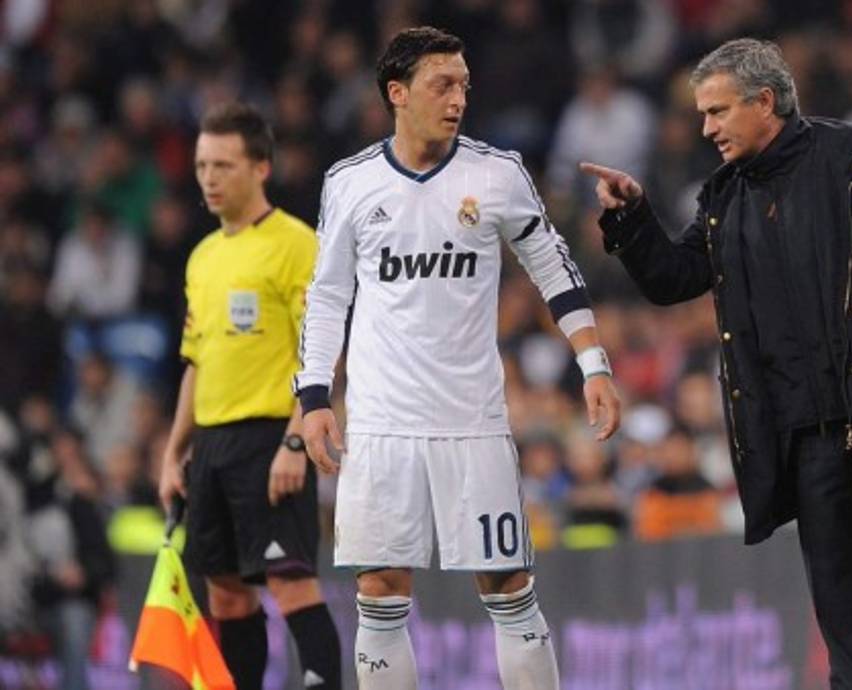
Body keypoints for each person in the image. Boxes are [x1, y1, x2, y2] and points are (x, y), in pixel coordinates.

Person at [581, 38, 852, 690]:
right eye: (703, 114)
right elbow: (677, 277)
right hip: (810, 445)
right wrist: (635, 219)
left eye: (719, 111)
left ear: (765, 100)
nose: (707, 129)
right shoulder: (725, 196)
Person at [295, 27, 621, 690]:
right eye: (442, 84)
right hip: (382, 425)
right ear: (397, 93)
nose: (458, 98)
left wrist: (594, 364)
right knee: (381, 594)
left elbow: (554, 270)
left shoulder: (496, 173)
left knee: (509, 584)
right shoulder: (350, 182)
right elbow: (326, 299)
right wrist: (314, 399)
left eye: (465, 85)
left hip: (473, 419)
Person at [158, 102, 341, 690]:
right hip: (211, 446)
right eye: (202, 165)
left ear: (261, 167)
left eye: (223, 165)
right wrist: (172, 452)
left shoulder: (296, 243)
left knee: (290, 584)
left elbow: (321, 348)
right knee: (227, 599)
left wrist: (296, 437)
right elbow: (196, 363)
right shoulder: (202, 256)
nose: (208, 178)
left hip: (271, 438)